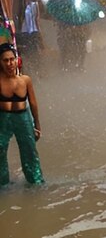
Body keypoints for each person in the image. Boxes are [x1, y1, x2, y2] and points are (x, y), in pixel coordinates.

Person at [0, 43, 44, 186]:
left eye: (11, 59)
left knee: (29, 150)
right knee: (0, 150)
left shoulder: (25, 80)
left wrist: (36, 125)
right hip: (3, 118)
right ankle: (2, 185)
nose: (9, 63)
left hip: (23, 117)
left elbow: (33, 103)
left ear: (16, 60)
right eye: (5, 60)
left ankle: (35, 183)